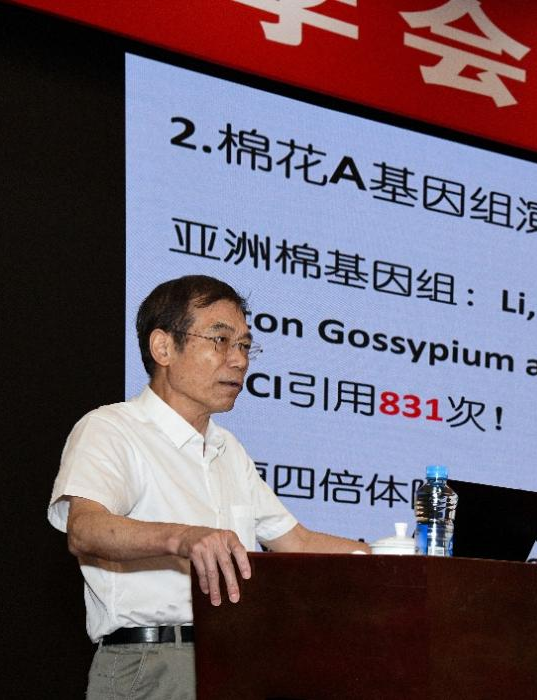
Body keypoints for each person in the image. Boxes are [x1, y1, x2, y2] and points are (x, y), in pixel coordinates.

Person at [48, 275, 369, 700]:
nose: (239, 360)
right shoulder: (112, 428)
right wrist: (182, 537)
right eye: (220, 340)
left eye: (245, 345)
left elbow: (297, 541)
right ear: (163, 347)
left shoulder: (227, 448)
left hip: (237, 660)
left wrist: (399, 561)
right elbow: (84, 529)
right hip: (156, 664)